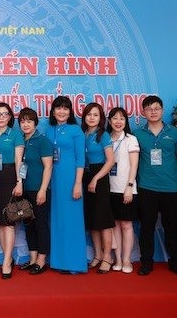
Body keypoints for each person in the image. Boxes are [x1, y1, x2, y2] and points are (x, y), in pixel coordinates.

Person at [134, 95, 177, 278]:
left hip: (171, 188)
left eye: (157, 108)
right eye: (149, 108)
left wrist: (168, 170)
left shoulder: (175, 133)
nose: (153, 111)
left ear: (162, 110)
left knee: (172, 228)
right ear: (143, 112)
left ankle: (175, 263)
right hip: (146, 187)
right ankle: (146, 263)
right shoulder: (137, 133)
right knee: (146, 228)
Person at [44, 96, 86, 274]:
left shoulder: (75, 130)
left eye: (65, 108)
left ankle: (74, 264)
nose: (62, 112)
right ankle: (59, 262)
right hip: (54, 180)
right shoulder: (48, 130)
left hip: (71, 181)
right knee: (57, 220)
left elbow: (80, 159)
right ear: (53, 111)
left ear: (70, 112)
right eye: (58, 108)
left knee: (72, 221)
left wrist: (78, 184)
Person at [0, 102, 24, 279]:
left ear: (10, 117)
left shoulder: (16, 135)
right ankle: (7, 259)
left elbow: (20, 161)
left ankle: (6, 261)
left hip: (10, 177)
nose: (1, 117)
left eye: (5, 114)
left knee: (9, 221)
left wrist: (19, 182)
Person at [17, 107, 53, 275]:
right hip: (24, 191)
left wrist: (43, 190)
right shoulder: (21, 140)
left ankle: (41, 260)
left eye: (29, 121)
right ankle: (32, 259)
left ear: (35, 122)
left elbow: (48, 167)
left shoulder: (43, 141)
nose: (26, 124)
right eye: (22, 121)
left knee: (41, 225)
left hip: (39, 190)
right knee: (28, 224)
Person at [81, 103, 115, 274]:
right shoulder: (82, 134)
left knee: (103, 220)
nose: (92, 118)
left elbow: (110, 161)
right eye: (89, 114)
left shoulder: (104, 135)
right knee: (93, 220)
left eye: (96, 115)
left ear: (101, 118)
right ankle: (98, 254)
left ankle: (108, 257)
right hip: (85, 176)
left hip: (99, 176)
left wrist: (95, 178)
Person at [107, 107, 140, 274]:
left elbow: (134, 165)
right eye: (115, 118)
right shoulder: (105, 139)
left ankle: (127, 259)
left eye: (122, 118)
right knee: (115, 226)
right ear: (109, 121)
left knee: (126, 225)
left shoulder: (131, 139)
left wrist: (129, 186)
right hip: (109, 189)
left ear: (126, 122)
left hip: (126, 189)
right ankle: (118, 259)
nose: (118, 122)